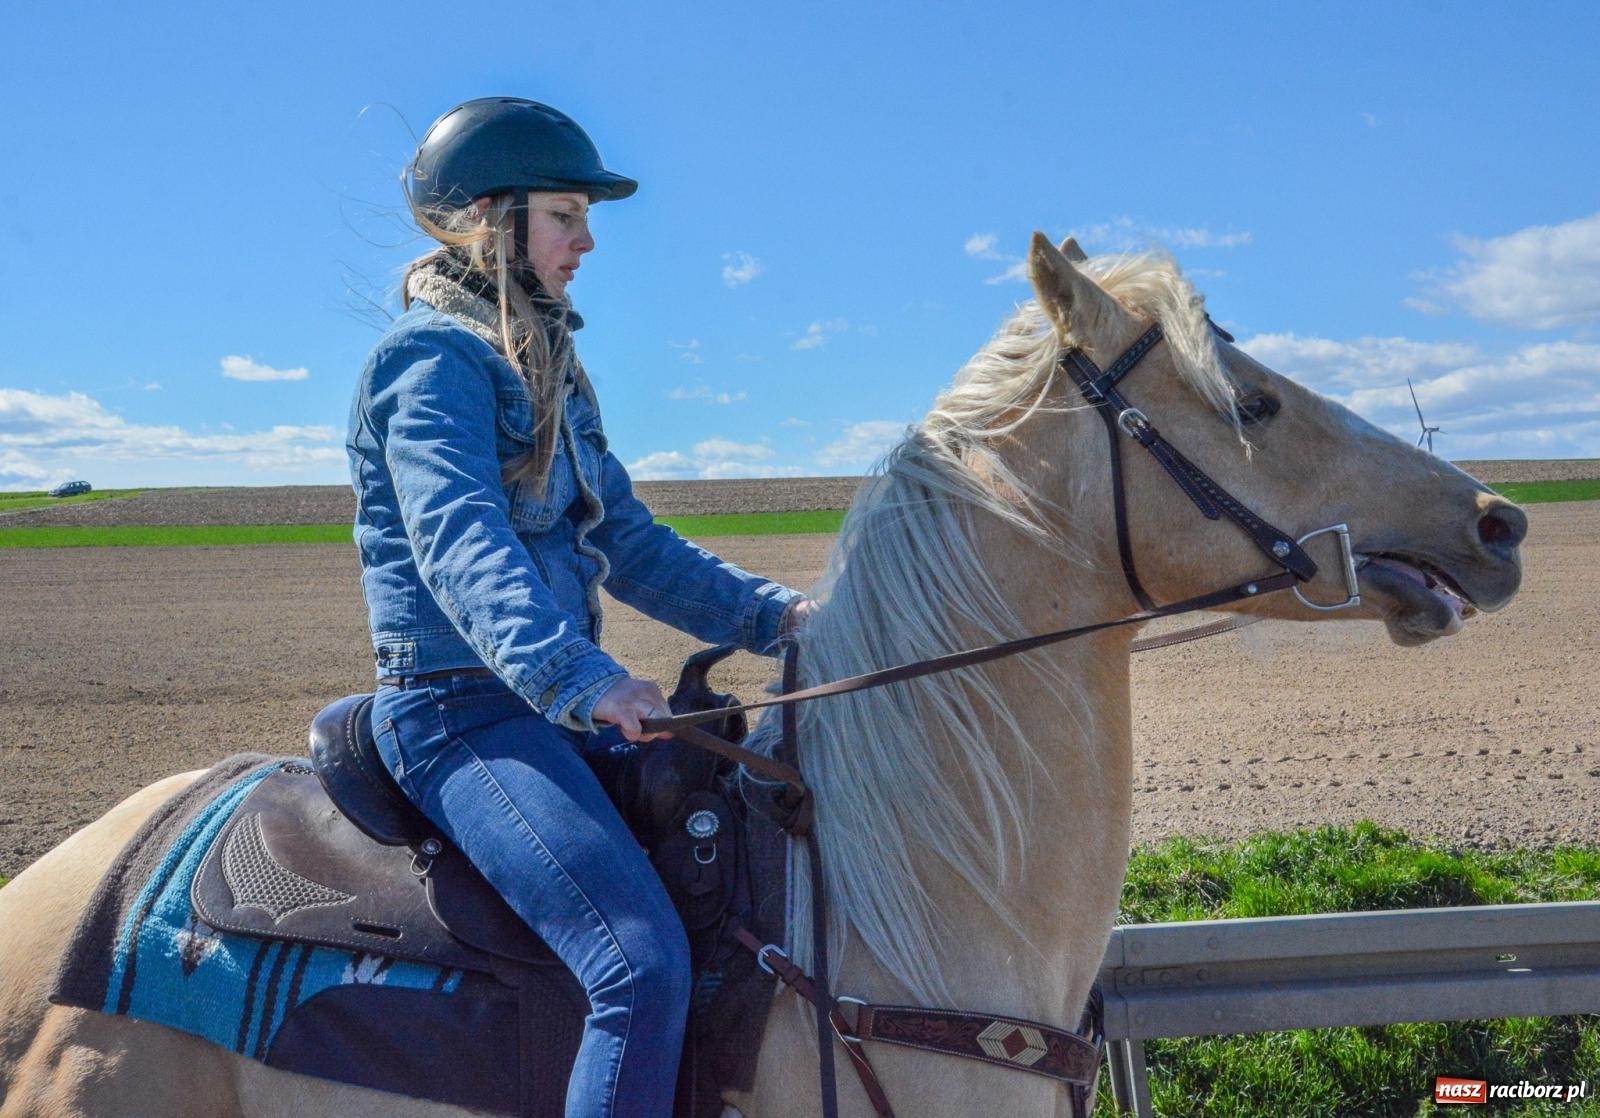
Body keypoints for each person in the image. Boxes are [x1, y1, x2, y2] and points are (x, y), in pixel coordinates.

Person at [347, 96, 811, 1118]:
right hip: (459, 715)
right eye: (565, 213)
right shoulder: (429, 361)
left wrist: (785, 620)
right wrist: (584, 679)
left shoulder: (551, 366)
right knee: (638, 962)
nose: (587, 239)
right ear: (491, 219)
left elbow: (630, 544)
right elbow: (460, 539)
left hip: (539, 713)